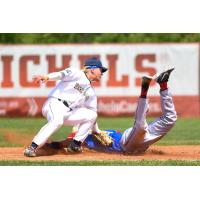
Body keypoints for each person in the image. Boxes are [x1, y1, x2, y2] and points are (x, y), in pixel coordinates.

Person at [46, 67, 177, 154]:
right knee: (140, 126)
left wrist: (96, 131)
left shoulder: (96, 132)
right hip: (126, 146)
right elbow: (70, 141)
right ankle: (144, 89)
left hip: (138, 142)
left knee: (170, 119)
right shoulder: (87, 139)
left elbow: (89, 124)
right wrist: (54, 145)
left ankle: (163, 84)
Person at [24, 57, 108, 157]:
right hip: (55, 103)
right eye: (101, 70)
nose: (102, 73)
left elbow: (92, 114)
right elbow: (61, 74)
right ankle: (32, 147)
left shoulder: (91, 92)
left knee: (91, 114)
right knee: (57, 121)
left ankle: (75, 145)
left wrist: (97, 131)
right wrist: (47, 77)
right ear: (92, 69)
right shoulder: (77, 73)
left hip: (68, 111)